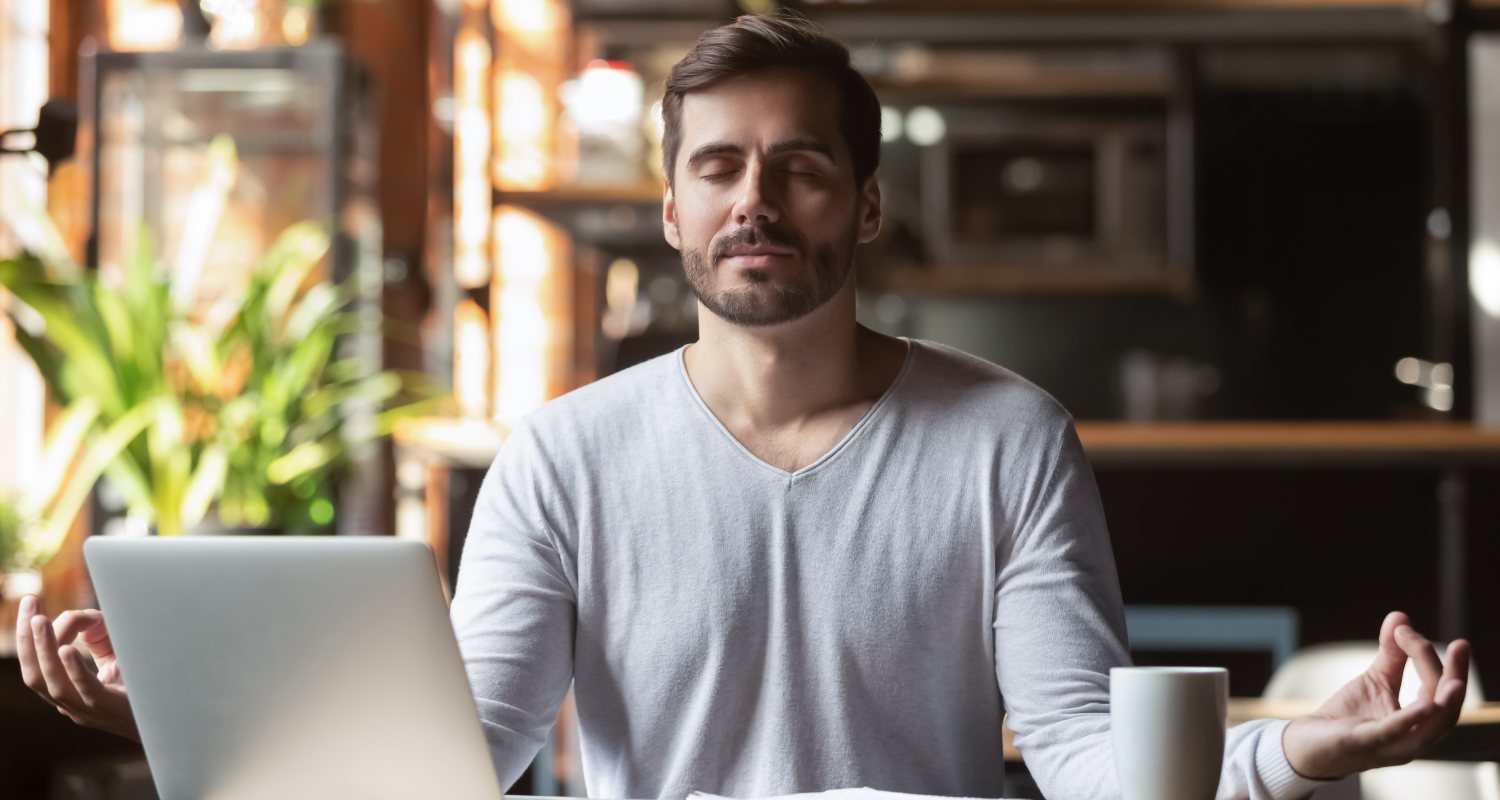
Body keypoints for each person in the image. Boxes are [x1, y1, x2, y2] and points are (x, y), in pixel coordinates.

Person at [16, 12, 1471, 800]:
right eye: (717, 168)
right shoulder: (565, 456)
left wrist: (1304, 749)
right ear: (670, 207)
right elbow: (461, 754)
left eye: (799, 167)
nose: (755, 201)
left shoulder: (1010, 438)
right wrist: (196, 709)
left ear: (868, 203)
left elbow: (1090, 757)